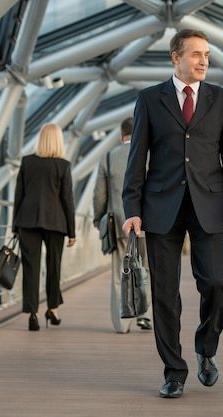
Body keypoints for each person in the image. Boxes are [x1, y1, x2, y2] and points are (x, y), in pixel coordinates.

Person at [122, 29, 223, 399]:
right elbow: (136, 159)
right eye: (195, 54)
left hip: (211, 205)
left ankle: (206, 347)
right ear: (175, 58)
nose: (204, 60)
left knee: (216, 286)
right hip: (161, 208)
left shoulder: (222, 99)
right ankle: (174, 370)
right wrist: (132, 209)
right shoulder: (149, 99)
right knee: (165, 294)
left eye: (206, 54)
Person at [13, 123, 76, 331]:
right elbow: (67, 200)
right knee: (53, 267)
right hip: (55, 222)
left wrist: (15, 225)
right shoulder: (63, 166)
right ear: (59, 140)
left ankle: (32, 314)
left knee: (31, 268)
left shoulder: (27, 162)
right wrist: (72, 232)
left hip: (27, 221)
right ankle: (53, 310)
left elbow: (19, 195)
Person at [93, 117, 153, 334]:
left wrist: (98, 218)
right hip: (149, 224)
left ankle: (122, 322)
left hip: (119, 223)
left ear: (121, 136)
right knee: (147, 270)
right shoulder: (151, 156)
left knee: (121, 272)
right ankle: (145, 316)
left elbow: (99, 194)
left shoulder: (108, 158)